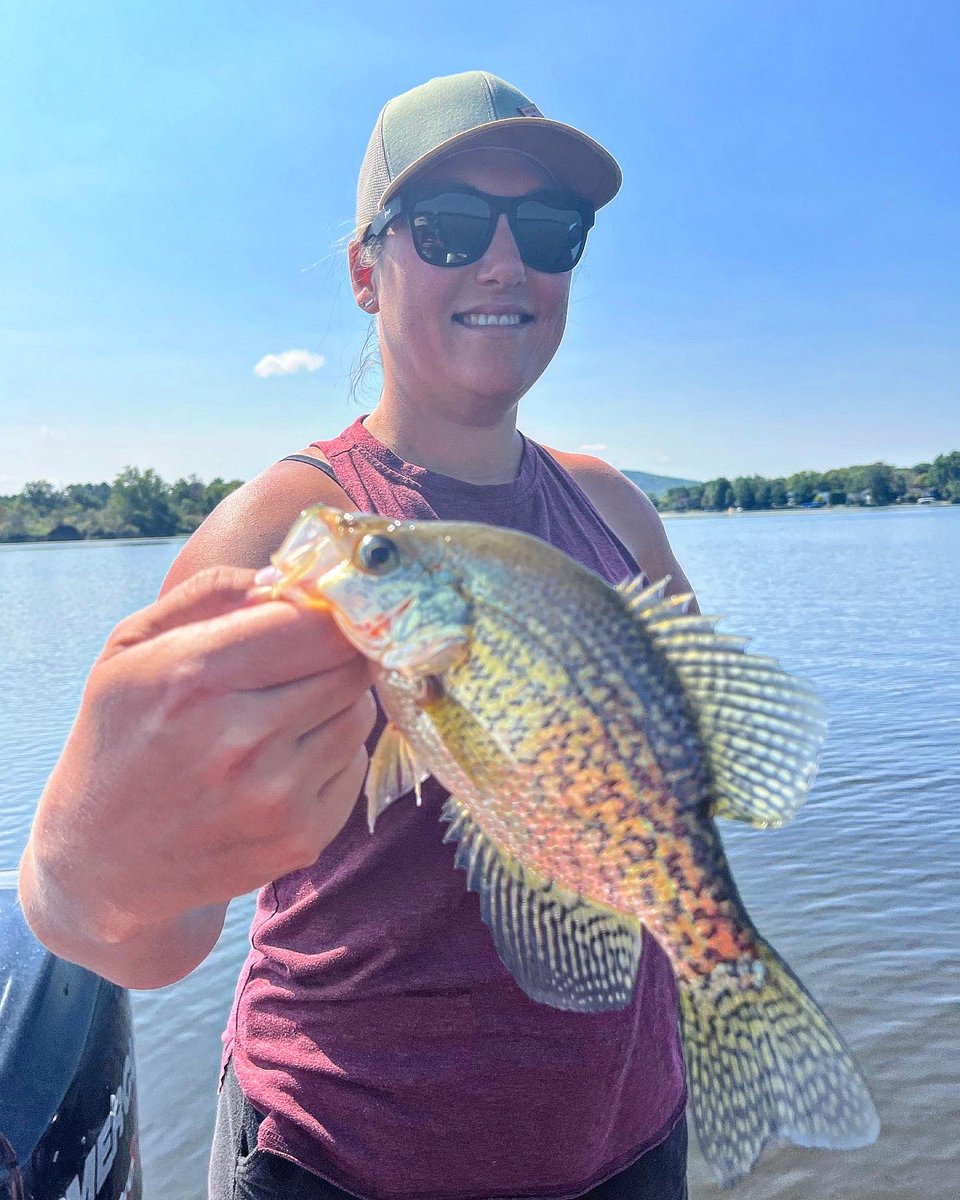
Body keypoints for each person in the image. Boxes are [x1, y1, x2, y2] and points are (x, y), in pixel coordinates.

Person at [19, 72, 698, 1199]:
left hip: (629, 1139)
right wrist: (74, 868)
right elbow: (145, 935)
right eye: (446, 227)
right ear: (364, 271)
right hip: (347, 1159)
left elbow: (694, 768)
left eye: (547, 229)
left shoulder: (617, 510)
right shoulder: (292, 530)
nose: (502, 262)